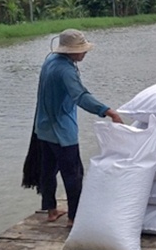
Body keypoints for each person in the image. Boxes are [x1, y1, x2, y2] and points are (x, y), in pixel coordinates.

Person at [34, 28, 123, 227]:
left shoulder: (50, 61)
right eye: (82, 50)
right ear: (70, 51)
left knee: (47, 170)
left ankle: (51, 210)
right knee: (73, 173)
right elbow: (80, 96)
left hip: (43, 128)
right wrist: (110, 112)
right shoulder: (66, 70)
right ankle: (74, 218)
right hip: (62, 131)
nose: (85, 53)